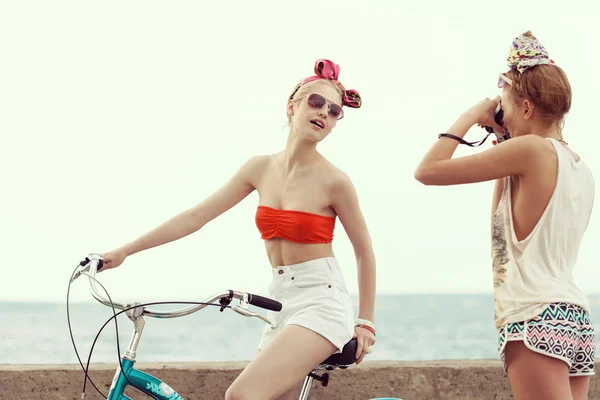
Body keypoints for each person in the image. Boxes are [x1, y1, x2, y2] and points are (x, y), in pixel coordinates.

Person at [99, 59, 377, 400]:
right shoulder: (259, 168)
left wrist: (365, 322)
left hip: (322, 300)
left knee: (240, 396)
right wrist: (125, 250)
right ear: (292, 106)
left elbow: (364, 252)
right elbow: (196, 216)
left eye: (334, 111)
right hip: (280, 300)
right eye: (316, 102)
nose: (324, 113)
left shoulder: (335, 181)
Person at [414, 31, 595, 400]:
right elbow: (504, 229)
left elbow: (427, 171)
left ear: (527, 108)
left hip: (533, 317)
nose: (503, 115)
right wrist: (502, 137)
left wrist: (470, 116)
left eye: (508, 107)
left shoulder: (531, 151)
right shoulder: (579, 168)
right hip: (573, 318)